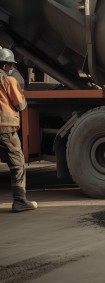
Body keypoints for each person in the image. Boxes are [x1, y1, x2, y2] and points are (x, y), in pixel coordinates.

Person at [0, 48, 37, 212]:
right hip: (5, 127)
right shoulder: (8, 81)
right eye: (10, 64)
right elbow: (20, 105)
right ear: (4, 64)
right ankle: (20, 201)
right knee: (17, 164)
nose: (11, 68)